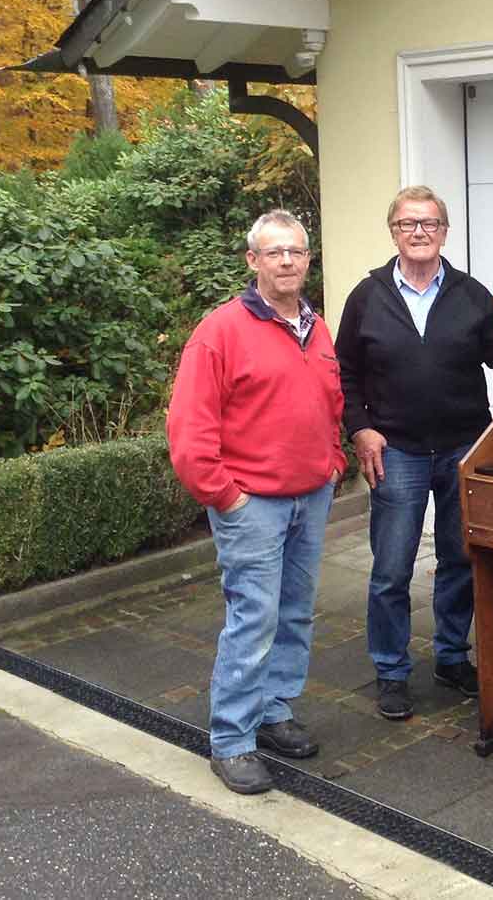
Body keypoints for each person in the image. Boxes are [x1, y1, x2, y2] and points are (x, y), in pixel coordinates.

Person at [167, 210, 346, 796]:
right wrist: (227, 496)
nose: (287, 261)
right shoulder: (219, 332)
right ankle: (232, 739)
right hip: (253, 507)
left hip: (310, 497)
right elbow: (190, 431)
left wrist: (333, 462)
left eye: (296, 251)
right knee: (254, 619)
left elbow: (330, 402)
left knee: (294, 613)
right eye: (274, 253)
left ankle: (273, 711)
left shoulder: (316, 327)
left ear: (307, 259)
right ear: (253, 261)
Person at [335, 186, 493, 721]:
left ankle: (452, 657)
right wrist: (360, 429)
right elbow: (344, 373)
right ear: (394, 233)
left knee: (460, 559)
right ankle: (391, 671)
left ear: (445, 233)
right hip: (396, 450)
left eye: (429, 223)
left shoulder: (473, 296)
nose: (419, 232)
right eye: (408, 223)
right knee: (391, 569)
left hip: (462, 448)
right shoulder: (367, 297)